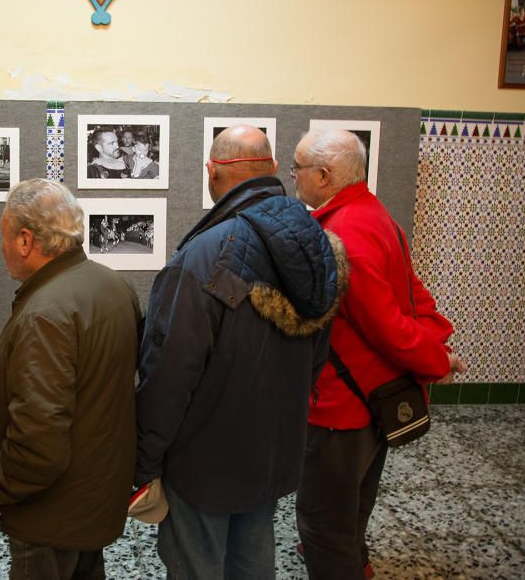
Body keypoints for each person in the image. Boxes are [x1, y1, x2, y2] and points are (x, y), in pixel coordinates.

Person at [135, 125, 345, 579]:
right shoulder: (317, 245)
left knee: (197, 567)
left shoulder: (203, 258)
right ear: (271, 170)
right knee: (253, 563)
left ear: (213, 174)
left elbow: (169, 374)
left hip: (203, 464)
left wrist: (144, 459)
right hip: (272, 453)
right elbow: (316, 354)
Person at [291, 130, 465, 579]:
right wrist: (437, 343)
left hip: (344, 407)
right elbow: (414, 293)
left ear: (324, 175)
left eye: (298, 170)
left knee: (322, 519)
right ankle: (357, 562)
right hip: (374, 398)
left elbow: (386, 322)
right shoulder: (374, 213)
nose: (294, 179)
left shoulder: (342, 231)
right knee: (354, 502)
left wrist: (435, 359)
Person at [0, 178, 142, 580]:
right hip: (96, 496)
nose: (0, 248)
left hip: (50, 513)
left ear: (25, 240)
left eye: (3, 236)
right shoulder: (115, 285)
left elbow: (39, 441)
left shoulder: (45, 313)